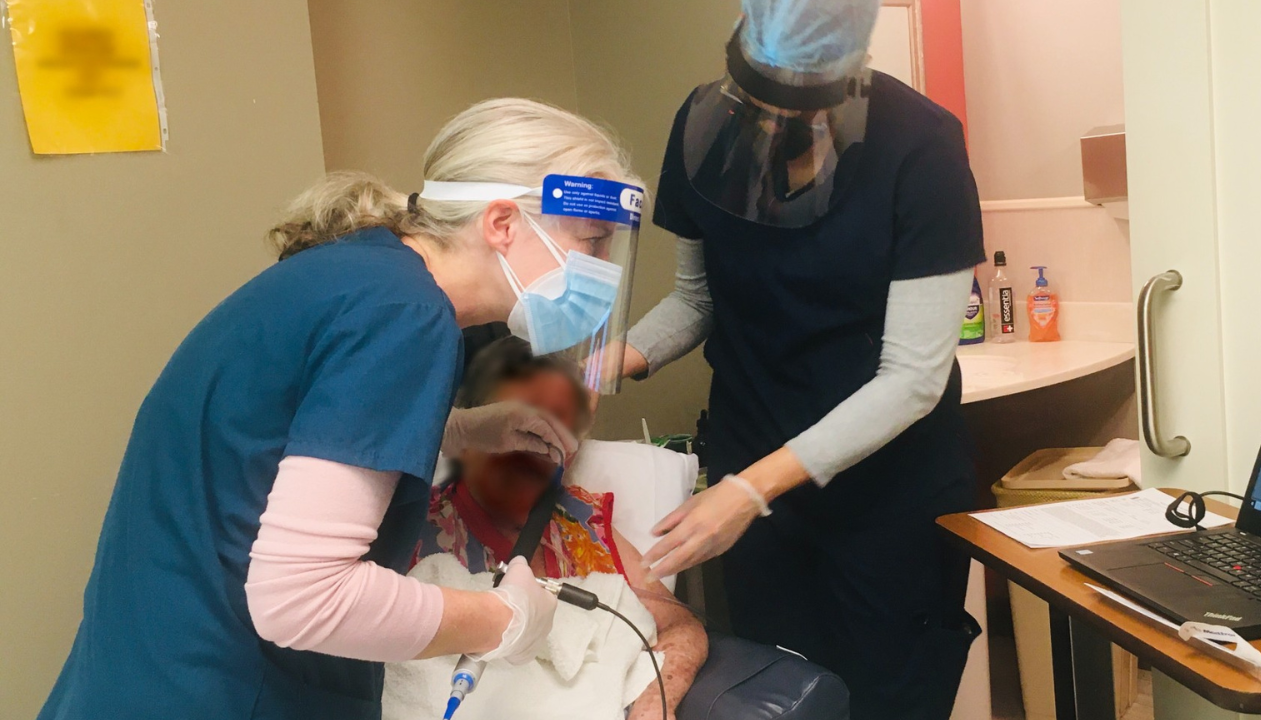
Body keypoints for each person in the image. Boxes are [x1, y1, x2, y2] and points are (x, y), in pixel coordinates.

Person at [39, 98, 645, 720]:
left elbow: (280, 440)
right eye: (592, 242)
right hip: (221, 688)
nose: (600, 271)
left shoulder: (364, 273)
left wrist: (459, 429)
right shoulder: (405, 318)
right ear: (501, 223)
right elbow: (302, 597)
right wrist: (503, 620)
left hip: (142, 667)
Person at [619, 2, 986, 718]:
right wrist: (607, 361)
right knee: (778, 696)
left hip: (887, 498)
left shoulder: (922, 147)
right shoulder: (700, 129)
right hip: (753, 484)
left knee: (888, 700)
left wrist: (751, 491)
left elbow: (913, 379)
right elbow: (696, 302)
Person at [406, 337, 707, 720]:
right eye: (526, 428)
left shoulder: (587, 526)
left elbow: (681, 626)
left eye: (561, 428)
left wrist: (652, 707)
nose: (541, 449)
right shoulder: (417, 531)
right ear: (475, 429)